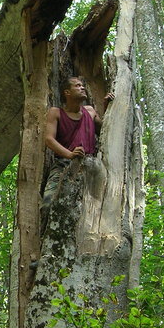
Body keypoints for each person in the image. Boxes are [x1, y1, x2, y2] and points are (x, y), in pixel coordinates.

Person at [40, 76, 113, 230]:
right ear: (67, 92)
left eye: (82, 85)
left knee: (92, 212)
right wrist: (70, 154)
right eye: (77, 86)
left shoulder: (90, 112)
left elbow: (106, 131)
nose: (82, 88)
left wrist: (107, 107)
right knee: (48, 204)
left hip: (91, 168)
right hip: (63, 165)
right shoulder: (56, 113)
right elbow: (48, 139)